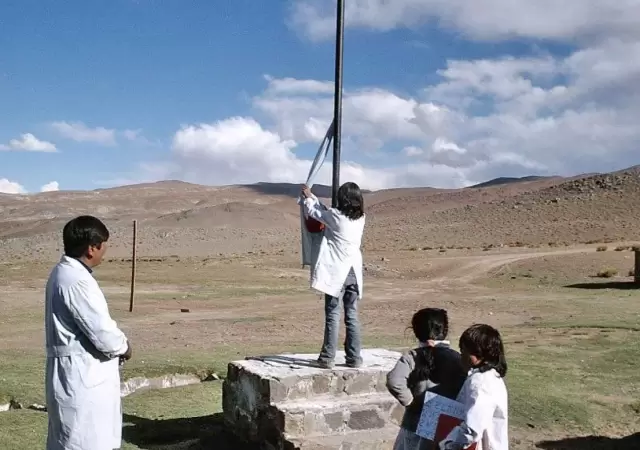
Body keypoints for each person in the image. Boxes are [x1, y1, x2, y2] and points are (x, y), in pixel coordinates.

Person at [45, 215, 132, 450]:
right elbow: (102, 332)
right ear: (92, 248)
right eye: (103, 245)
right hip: (83, 376)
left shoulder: (63, 273)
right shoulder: (77, 280)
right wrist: (124, 347)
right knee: (85, 441)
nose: (105, 251)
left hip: (75, 372)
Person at [301, 182, 365, 369]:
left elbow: (316, 213)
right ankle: (354, 357)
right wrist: (312, 198)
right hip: (354, 272)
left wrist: (307, 198)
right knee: (351, 315)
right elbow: (325, 210)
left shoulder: (336, 216)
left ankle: (328, 357)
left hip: (339, 273)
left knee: (333, 314)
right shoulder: (361, 218)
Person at [387, 308, 467, 450]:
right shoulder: (457, 358)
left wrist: (411, 402)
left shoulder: (412, 357)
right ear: (445, 330)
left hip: (414, 423)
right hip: (445, 424)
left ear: (416, 331)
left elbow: (394, 380)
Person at [439, 324, 508, 450]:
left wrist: (447, 445)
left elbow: (473, 428)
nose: (461, 357)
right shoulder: (492, 377)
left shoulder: (480, 382)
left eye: (463, 351)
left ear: (477, 354)